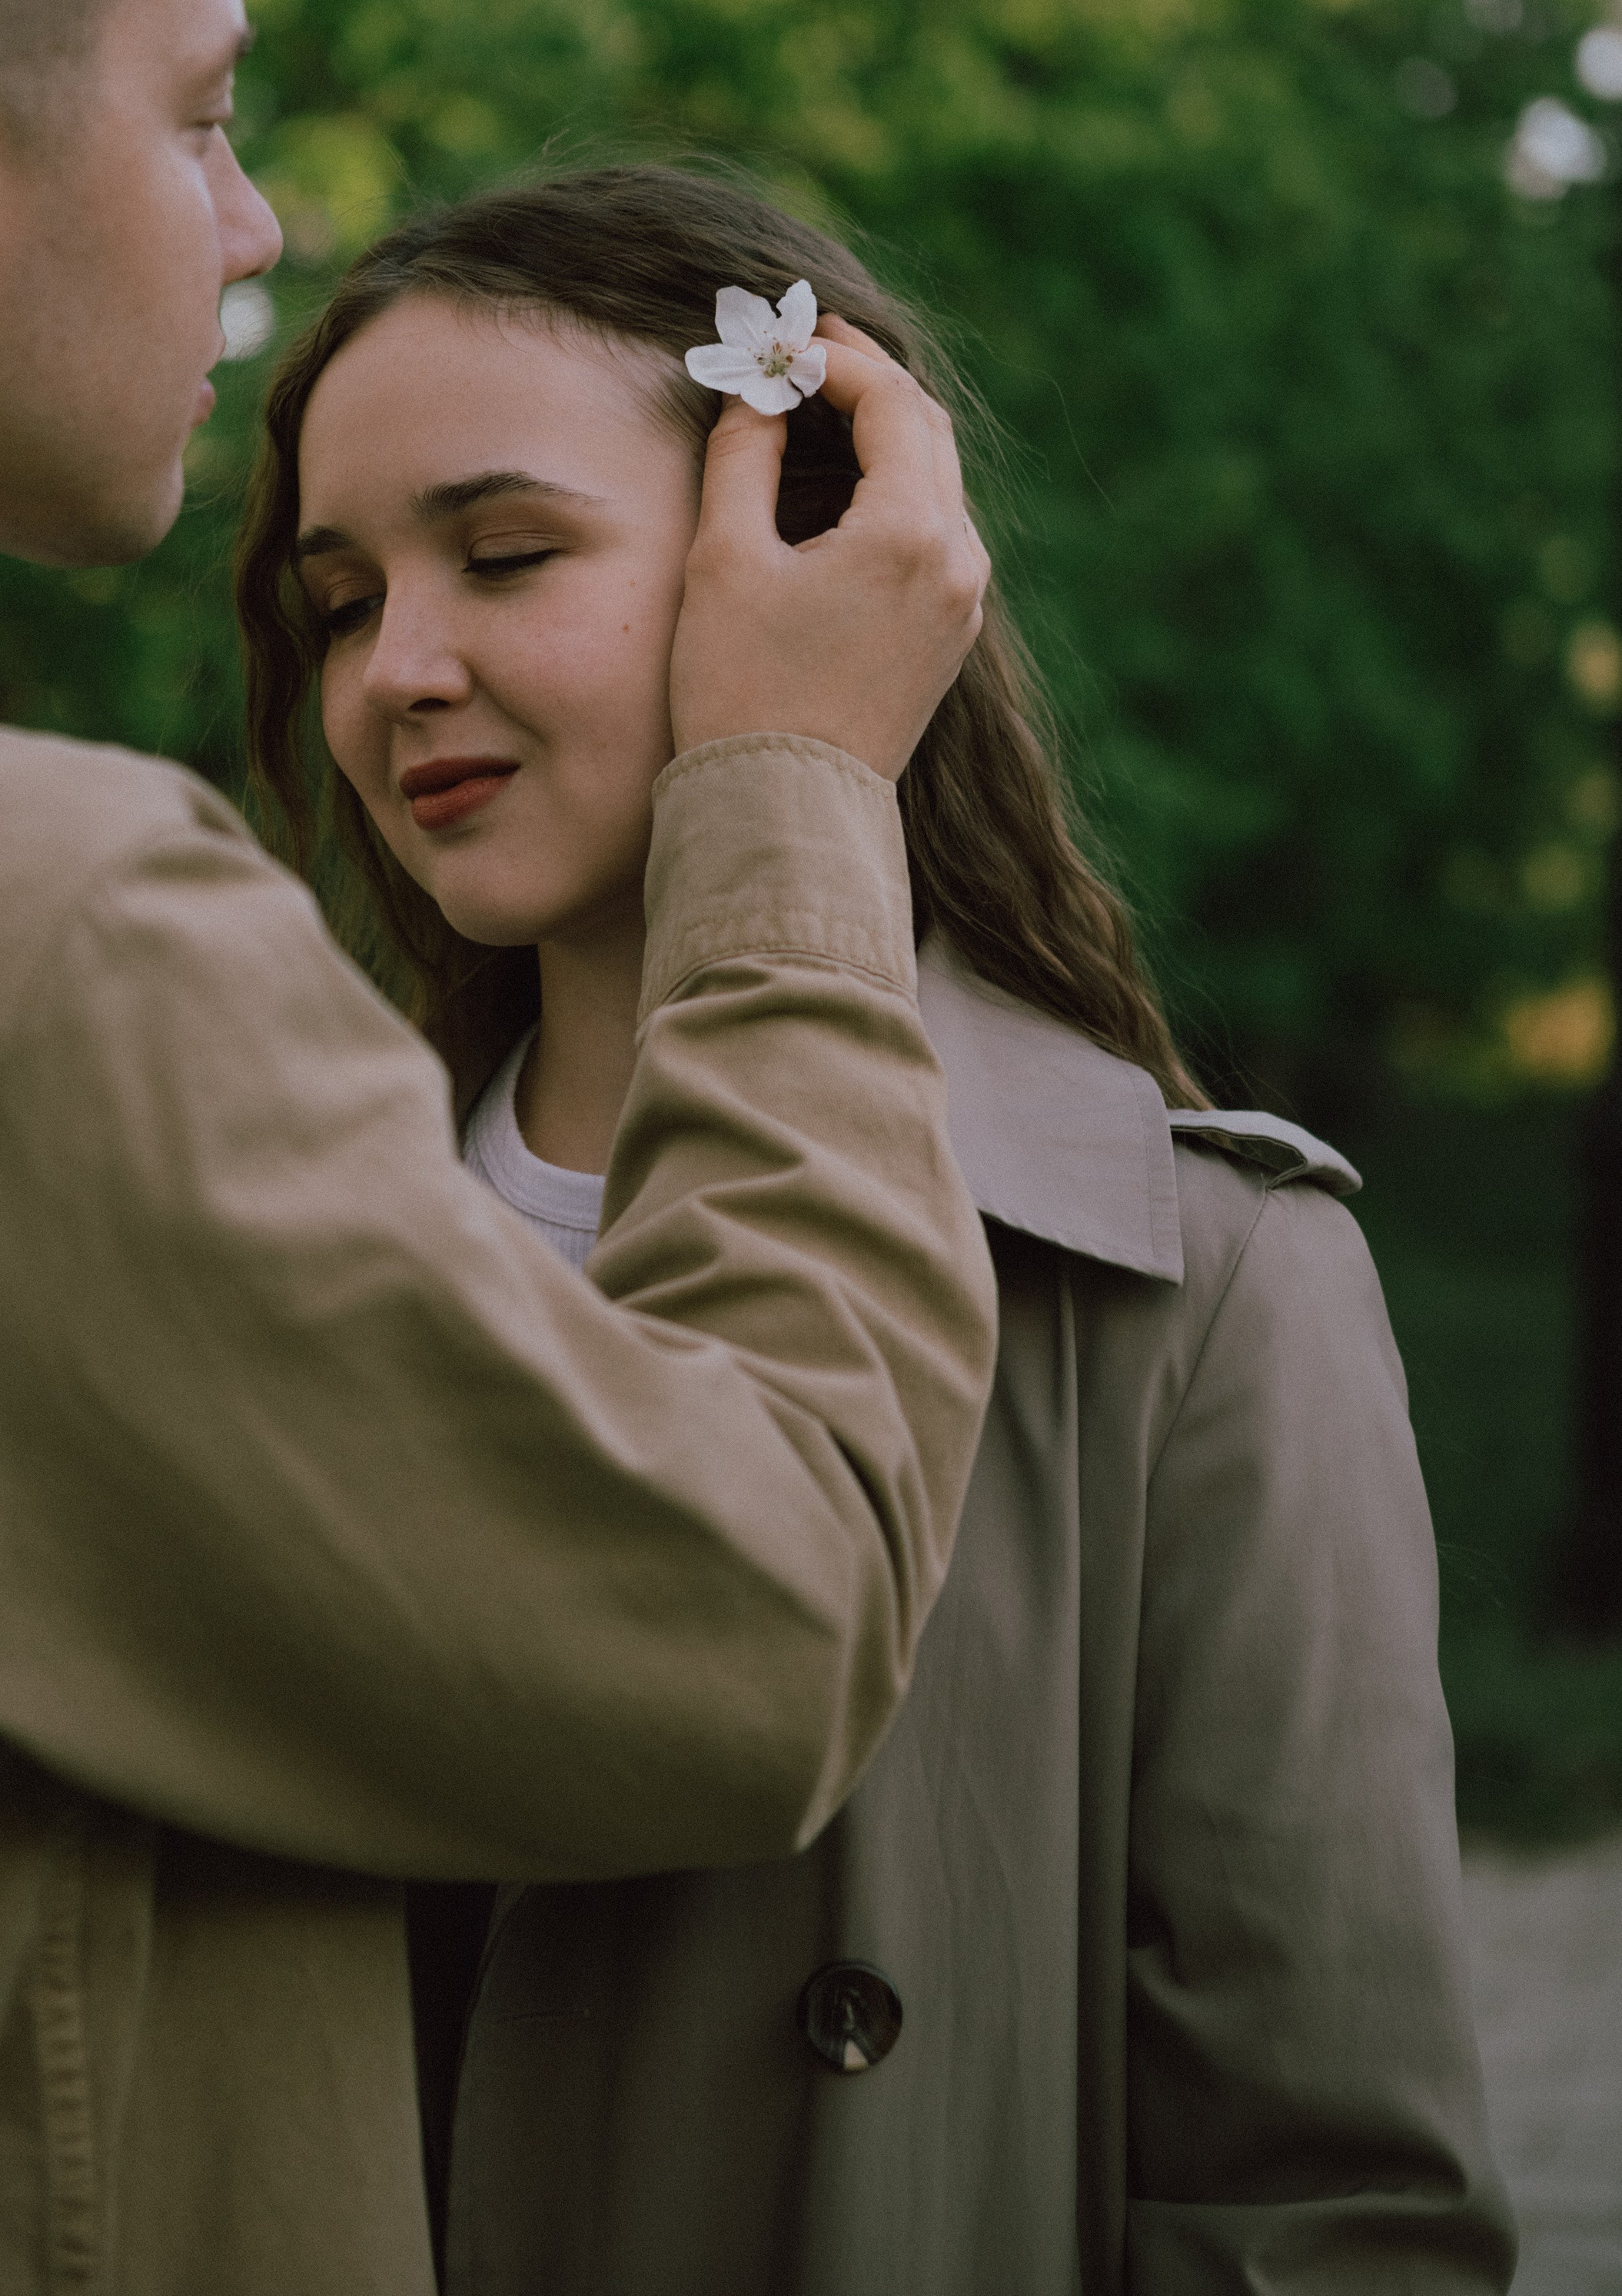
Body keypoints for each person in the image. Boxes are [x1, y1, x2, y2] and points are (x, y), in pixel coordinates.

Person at [0, 0, 1004, 2294]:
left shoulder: (1209, 1269)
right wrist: (780, 780)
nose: (253, 223)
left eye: (510, 553)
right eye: (200, 111)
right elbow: (755, 1614)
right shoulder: (12, 954)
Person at [238, 162, 1517, 2294]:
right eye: (342, 599)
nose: (399, 672)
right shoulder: (260, 1241)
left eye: (506, 553)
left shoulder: (1195, 1290)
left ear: (814, 551)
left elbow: (1324, 2210)